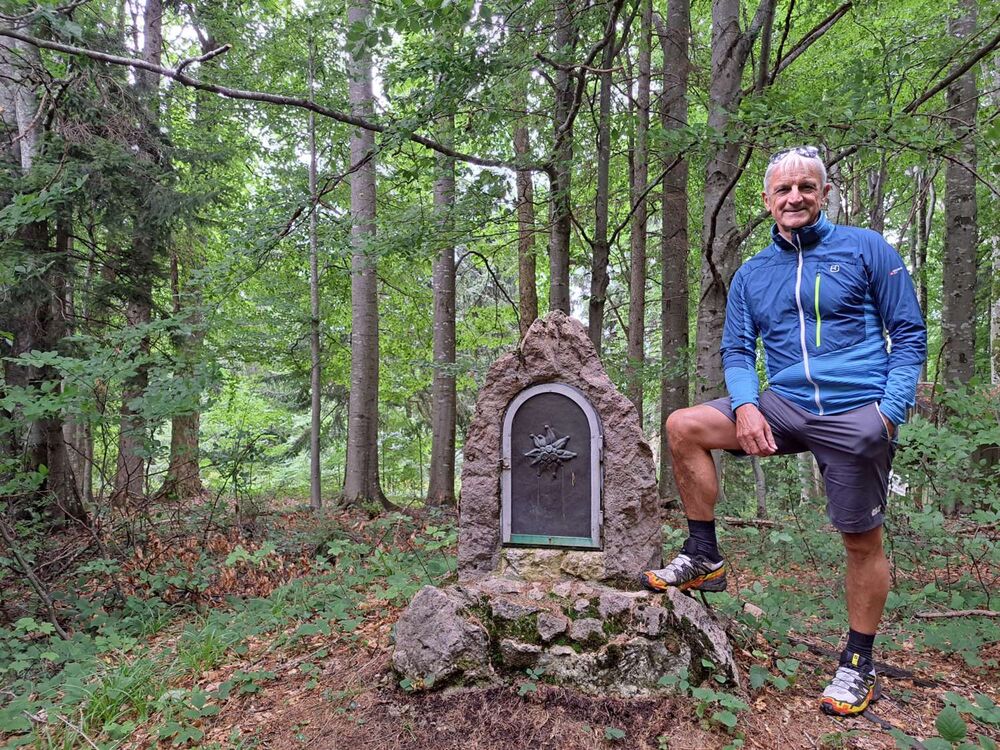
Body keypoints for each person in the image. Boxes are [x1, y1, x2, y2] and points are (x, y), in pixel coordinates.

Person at [641, 146, 926, 717]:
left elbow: (909, 334)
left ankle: (858, 662)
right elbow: (737, 351)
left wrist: (888, 414)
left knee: (861, 541)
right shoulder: (753, 273)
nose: (795, 197)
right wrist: (747, 406)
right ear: (768, 200)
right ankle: (704, 554)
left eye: (806, 187)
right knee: (684, 426)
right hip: (784, 404)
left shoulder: (867, 248)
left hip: (856, 412)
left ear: (824, 194)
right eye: (783, 190)